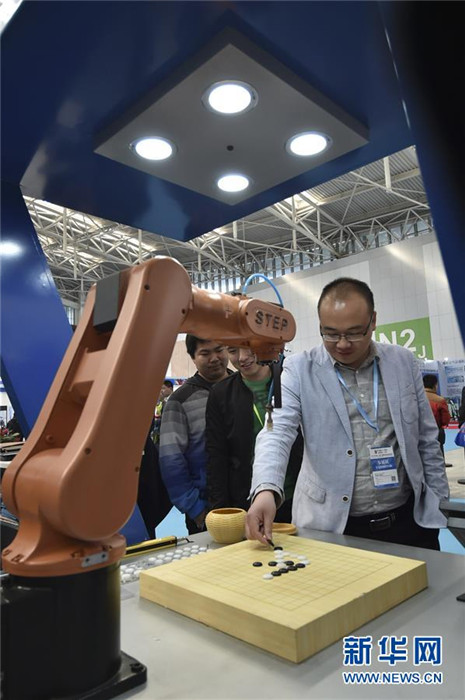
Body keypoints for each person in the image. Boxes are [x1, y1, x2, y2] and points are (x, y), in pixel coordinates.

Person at [246, 277, 449, 551]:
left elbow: (427, 439)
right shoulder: (298, 369)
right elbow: (275, 432)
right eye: (330, 333)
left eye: (354, 333)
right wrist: (265, 489)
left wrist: (439, 502)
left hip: (407, 522)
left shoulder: (402, 362)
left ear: (373, 321)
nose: (342, 344)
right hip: (331, 528)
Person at [205, 346, 303, 521]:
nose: (242, 357)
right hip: (247, 500)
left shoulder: (291, 380)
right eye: (233, 351)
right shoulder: (221, 393)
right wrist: (220, 508)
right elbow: (217, 455)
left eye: (250, 348)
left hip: (298, 496)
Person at [159, 336, 229, 534]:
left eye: (219, 350)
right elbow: (171, 459)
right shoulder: (179, 401)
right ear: (192, 357)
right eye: (205, 353)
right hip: (207, 507)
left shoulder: (241, 387)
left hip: (249, 500)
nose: (214, 358)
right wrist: (195, 509)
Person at [422, 374, 451, 461]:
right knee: (439, 452)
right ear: (435, 385)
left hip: (419, 431)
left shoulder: (416, 399)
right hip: (436, 430)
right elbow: (445, 420)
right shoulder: (439, 400)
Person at [152, 380, 174, 444]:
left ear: (170, 389)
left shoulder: (172, 400)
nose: (161, 391)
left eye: (163, 388)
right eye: (160, 389)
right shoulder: (163, 400)